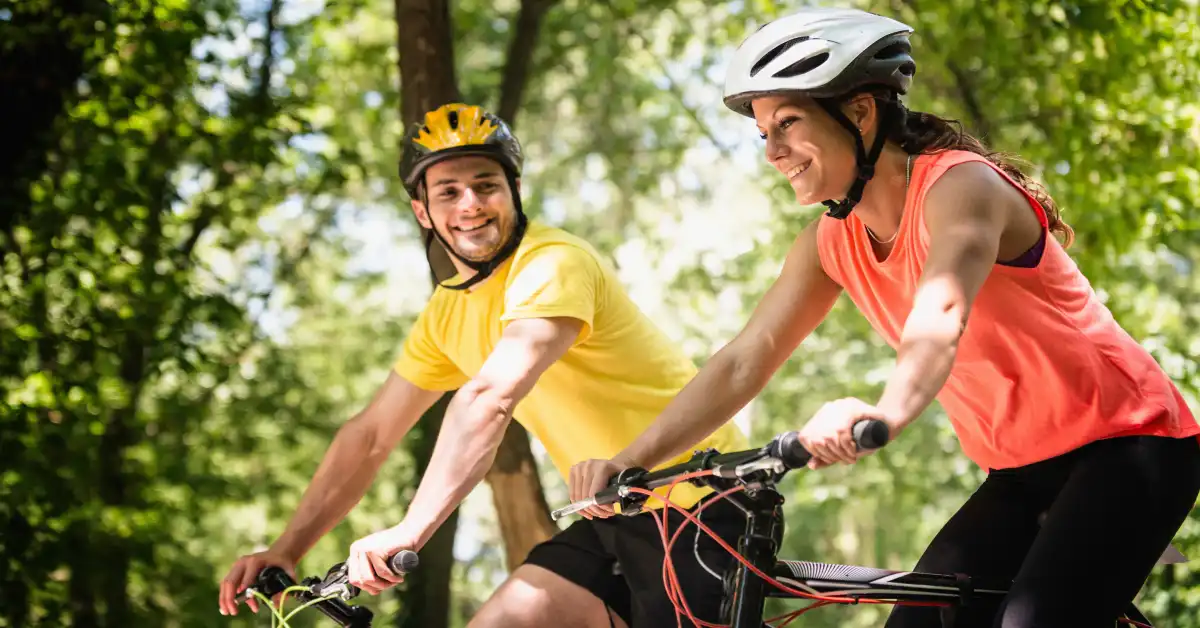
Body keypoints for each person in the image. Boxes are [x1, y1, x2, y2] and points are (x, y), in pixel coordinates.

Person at [568, 8, 1200, 627]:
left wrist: (883, 412)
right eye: (764, 133)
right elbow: (745, 358)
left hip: (1132, 444)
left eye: (787, 123)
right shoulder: (830, 241)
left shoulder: (960, 187)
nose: (773, 151)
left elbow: (942, 308)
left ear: (861, 111)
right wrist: (632, 465)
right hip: (1020, 470)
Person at [216, 103, 751, 628]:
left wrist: (410, 530)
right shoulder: (449, 310)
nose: (470, 204)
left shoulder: (553, 263)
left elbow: (491, 396)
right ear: (421, 210)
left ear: (514, 190)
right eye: (448, 192)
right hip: (613, 511)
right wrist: (286, 550)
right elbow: (371, 435)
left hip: (701, 499)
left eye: (486, 185)